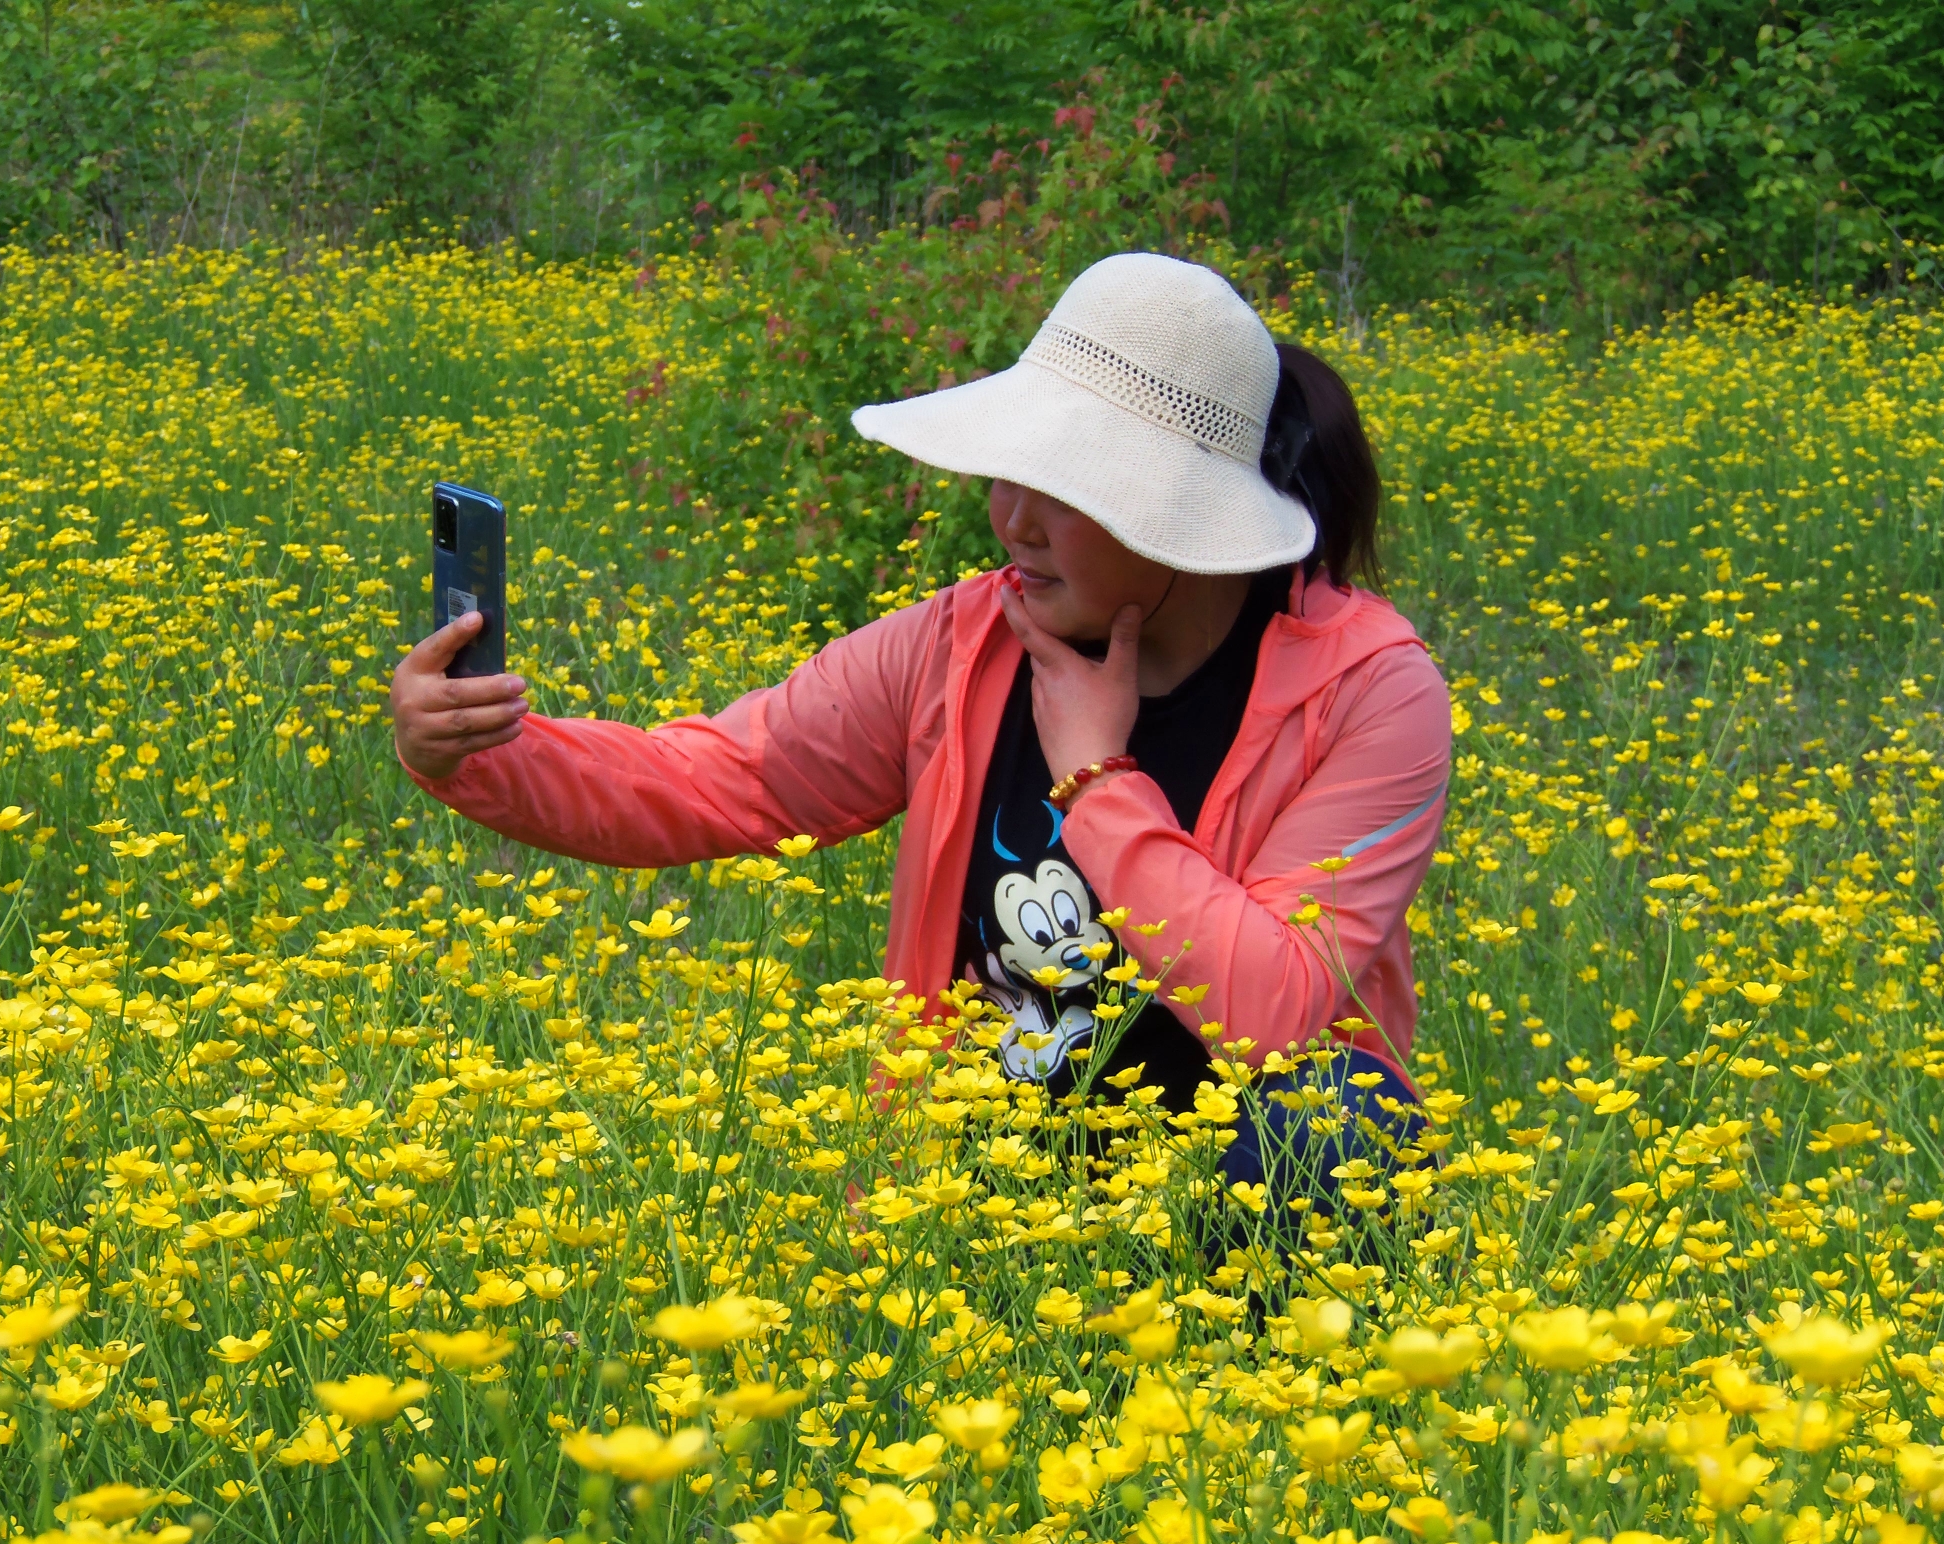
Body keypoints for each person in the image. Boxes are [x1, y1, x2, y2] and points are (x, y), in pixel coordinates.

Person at [389, 252, 1452, 1232]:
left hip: (1239, 1219)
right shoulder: (965, 642)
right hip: (989, 1211)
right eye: (1008, 475)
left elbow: (1273, 1008)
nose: (1013, 520)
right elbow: (727, 775)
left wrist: (1098, 780)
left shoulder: (1367, 691)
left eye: (1063, 492)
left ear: (1174, 513)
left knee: (1334, 1118)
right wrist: (478, 747)